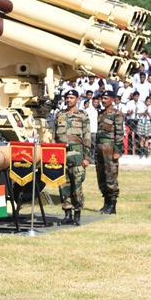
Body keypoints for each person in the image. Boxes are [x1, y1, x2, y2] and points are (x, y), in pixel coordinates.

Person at [53, 89, 91, 226]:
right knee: (63, 186)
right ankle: (67, 213)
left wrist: (87, 157)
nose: (68, 100)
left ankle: (77, 215)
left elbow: (87, 137)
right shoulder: (59, 115)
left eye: (71, 97)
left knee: (77, 186)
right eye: (67, 97)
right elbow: (54, 137)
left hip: (77, 155)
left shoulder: (82, 115)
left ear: (77, 99)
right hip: (61, 155)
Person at [95, 90, 124, 214]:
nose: (103, 100)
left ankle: (112, 204)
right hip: (99, 146)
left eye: (106, 98)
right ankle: (106, 202)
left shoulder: (116, 114)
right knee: (101, 174)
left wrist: (117, 150)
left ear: (112, 99)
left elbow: (119, 133)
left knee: (111, 174)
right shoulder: (101, 114)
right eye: (102, 98)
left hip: (110, 147)